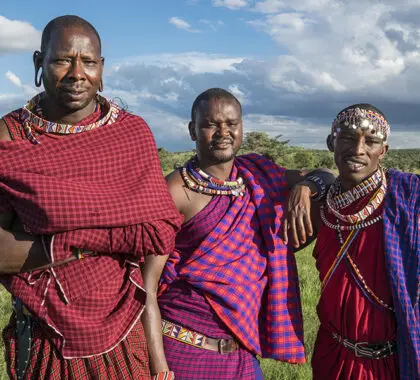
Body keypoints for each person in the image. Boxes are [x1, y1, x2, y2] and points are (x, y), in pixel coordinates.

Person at [0, 15, 181, 379]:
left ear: (102, 68)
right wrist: (92, 242)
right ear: (39, 62)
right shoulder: (10, 138)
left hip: (125, 329)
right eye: (62, 59)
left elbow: (158, 230)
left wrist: (55, 237)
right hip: (44, 335)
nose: (77, 73)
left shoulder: (131, 134)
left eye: (89, 62)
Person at [157, 88, 335, 379]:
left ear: (242, 128)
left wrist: (306, 187)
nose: (223, 132)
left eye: (232, 123)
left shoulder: (258, 175)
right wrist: (157, 366)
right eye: (211, 124)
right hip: (182, 345)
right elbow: (146, 286)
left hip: (242, 351)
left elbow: (327, 176)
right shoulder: (175, 190)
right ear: (192, 130)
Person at [308, 104, 419, 379]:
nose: (358, 149)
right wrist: (308, 183)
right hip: (331, 355)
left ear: (384, 151)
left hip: (392, 361)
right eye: (346, 137)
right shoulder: (318, 205)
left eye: (371, 141)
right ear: (331, 142)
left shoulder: (407, 200)